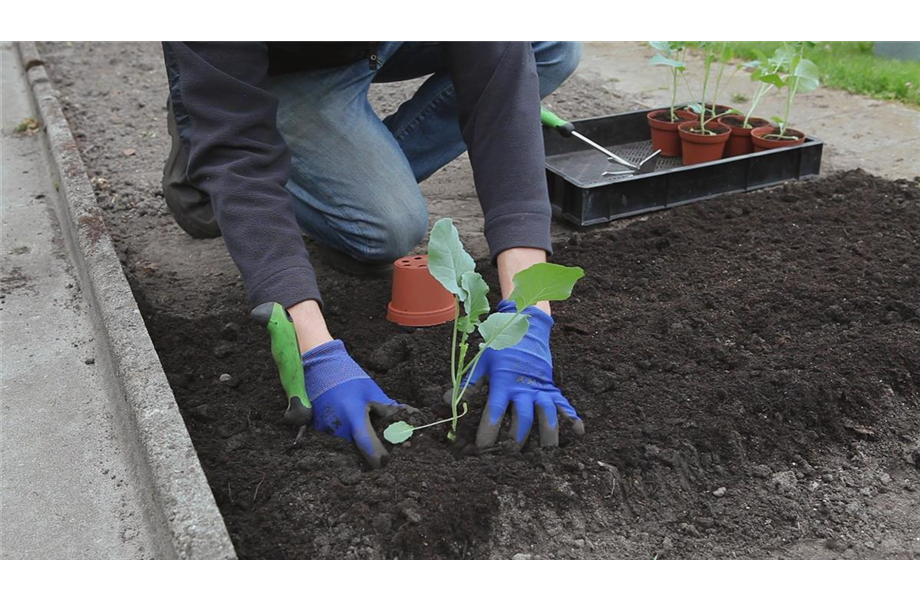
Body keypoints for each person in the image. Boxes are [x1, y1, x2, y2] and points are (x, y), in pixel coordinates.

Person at [161, 41, 585, 467]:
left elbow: (502, 85)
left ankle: (340, 180)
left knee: (549, 47)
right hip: (275, 67)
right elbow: (239, 156)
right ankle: (206, 122)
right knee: (386, 228)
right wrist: (315, 351)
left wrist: (528, 314)